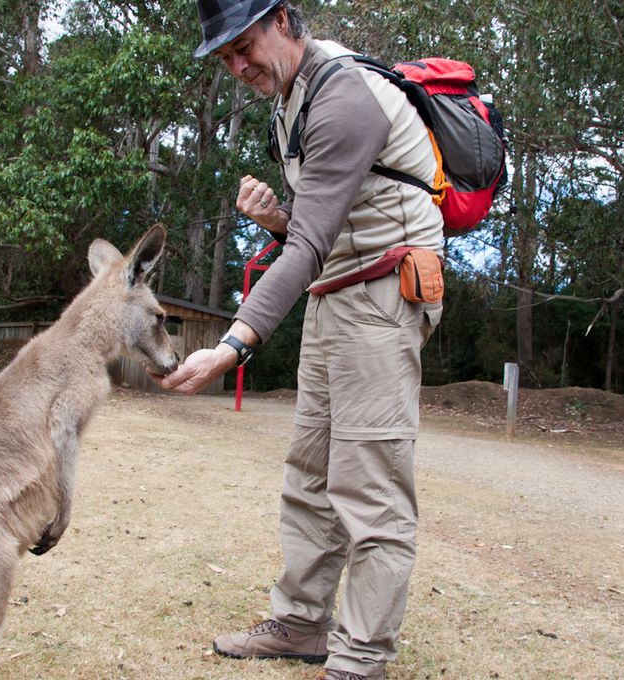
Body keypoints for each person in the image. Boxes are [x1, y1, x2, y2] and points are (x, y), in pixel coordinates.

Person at [156, 2, 444, 678]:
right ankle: (301, 624)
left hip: (382, 296)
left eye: (244, 45)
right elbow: (316, 228)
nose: (238, 65)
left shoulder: (343, 97)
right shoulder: (294, 98)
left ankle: (359, 659)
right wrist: (276, 218)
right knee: (310, 475)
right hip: (334, 296)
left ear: (283, 19)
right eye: (225, 56)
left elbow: (315, 243)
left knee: (368, 489)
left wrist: (233, 345)